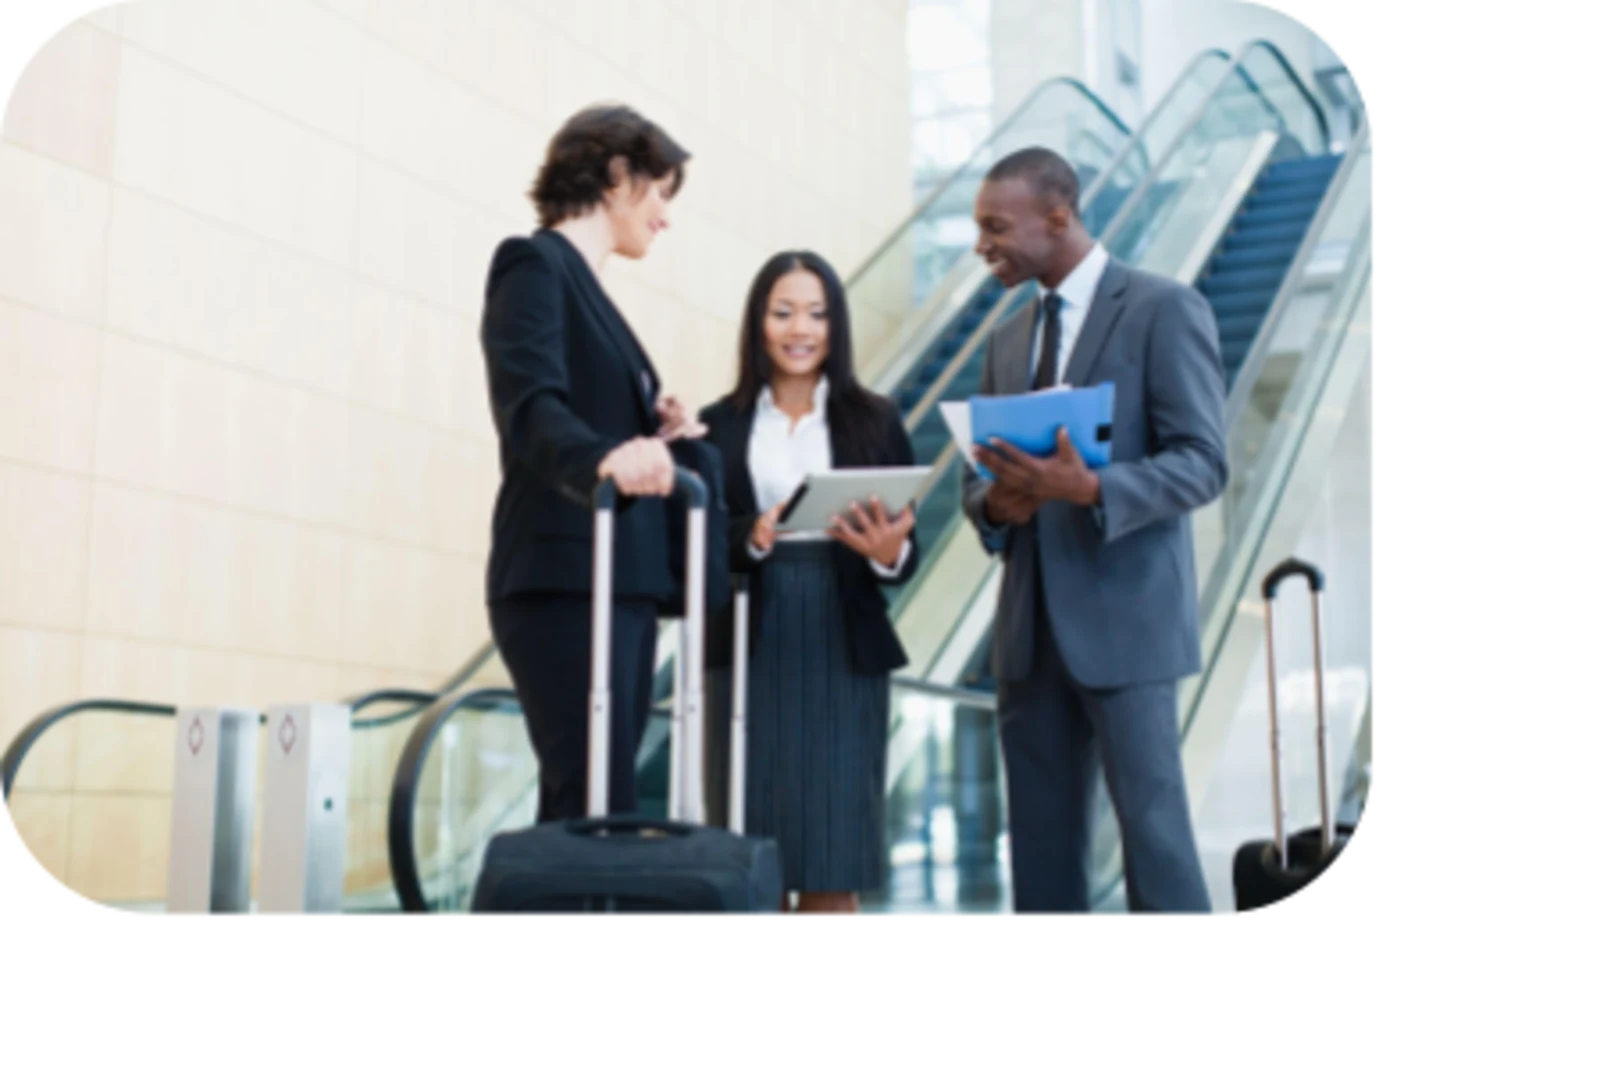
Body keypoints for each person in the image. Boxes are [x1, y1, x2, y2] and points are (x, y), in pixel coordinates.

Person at [960, 146, 1229, 920]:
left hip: (1128, 623)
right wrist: (1001, 505)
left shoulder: (1161, 307)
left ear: (1058, 214)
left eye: (994, 227)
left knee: (1156, 839)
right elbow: (973, 488)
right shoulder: (1005, 342)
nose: (983, 245)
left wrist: (1092, 487)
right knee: (1039, 847)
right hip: (1028, 630)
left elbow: (1205, 462)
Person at [479, 103, 705, 825]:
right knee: (588, 805)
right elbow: (532, 408)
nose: (665, 216)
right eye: (660, 190)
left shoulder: (591, 290)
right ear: (616, 175)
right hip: (565, 579)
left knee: (601, 808)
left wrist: (661, 436)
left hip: (617, 584)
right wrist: (608, 456)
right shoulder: (533, 263)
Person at [698, 251, 921, 920]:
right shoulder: (718, 423)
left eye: (818, 313)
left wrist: (889, 551)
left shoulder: (874, 419)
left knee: (832, 853)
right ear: (758, 322)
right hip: (748, 638)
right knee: (749, 856)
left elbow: (908, 548)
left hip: (842, 642)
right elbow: (698, 538)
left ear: (837, 325)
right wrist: (751, 536)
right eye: (784, 310)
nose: (802, 328)